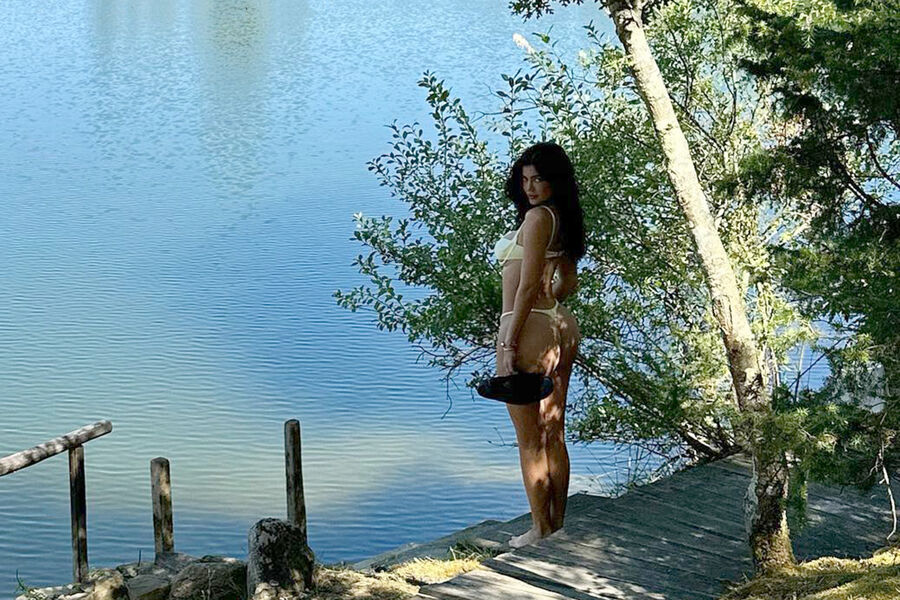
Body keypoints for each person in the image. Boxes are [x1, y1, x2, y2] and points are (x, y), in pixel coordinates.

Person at [492, 141, 585, 548]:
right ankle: (556, 523)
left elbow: (527, 286)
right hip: (560, 324)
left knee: (530, 439)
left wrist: (509, 344)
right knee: (554, 431)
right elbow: (569, 282)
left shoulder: (535, 219)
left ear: (555, 181)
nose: (529, 187)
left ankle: (539, 529)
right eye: (525, 179)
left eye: (538, 179)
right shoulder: (562, 217)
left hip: (528, 327)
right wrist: (549, 305)